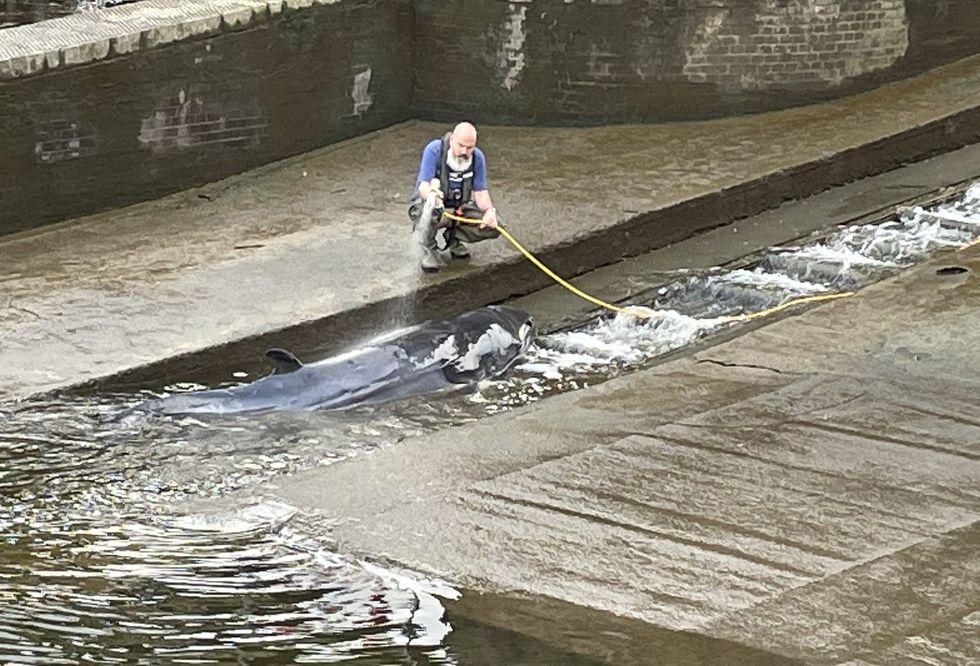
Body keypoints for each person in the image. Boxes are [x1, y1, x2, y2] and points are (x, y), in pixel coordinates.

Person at [408, 122, 500, 272]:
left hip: (460, 208)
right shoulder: (434, 150)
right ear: (452, 140)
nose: (464, 151)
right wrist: (432, 195)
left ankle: (453, 237)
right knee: (429, 210)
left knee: (497, 226)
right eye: (461, 145)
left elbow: (481, 192)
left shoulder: (477, 158)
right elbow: (423, 185)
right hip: (438, 206)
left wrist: (490, 211)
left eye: (469, 147)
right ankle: (428, 247)